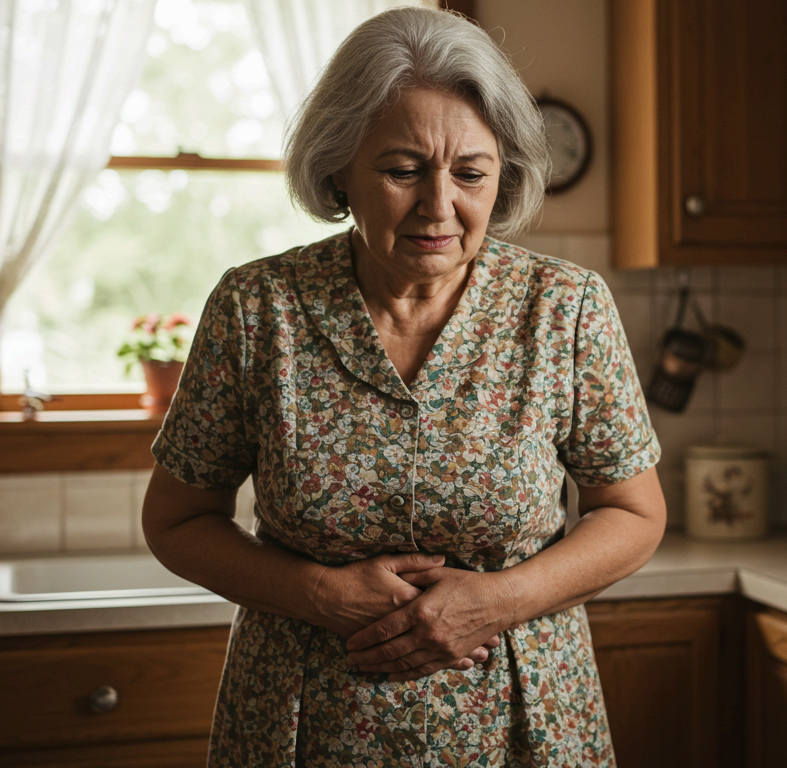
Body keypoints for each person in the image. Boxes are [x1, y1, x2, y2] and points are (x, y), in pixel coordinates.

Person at [142, 6, 664, 766]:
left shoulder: (565, 308)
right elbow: (177, 521)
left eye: (471, 174)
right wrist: (320, 594)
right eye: (403, 170)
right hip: (304, 723)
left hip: (522, 724)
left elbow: (634, 511)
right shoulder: (259, 310)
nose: (439, 206)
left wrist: (498, 600)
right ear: (339, 170)